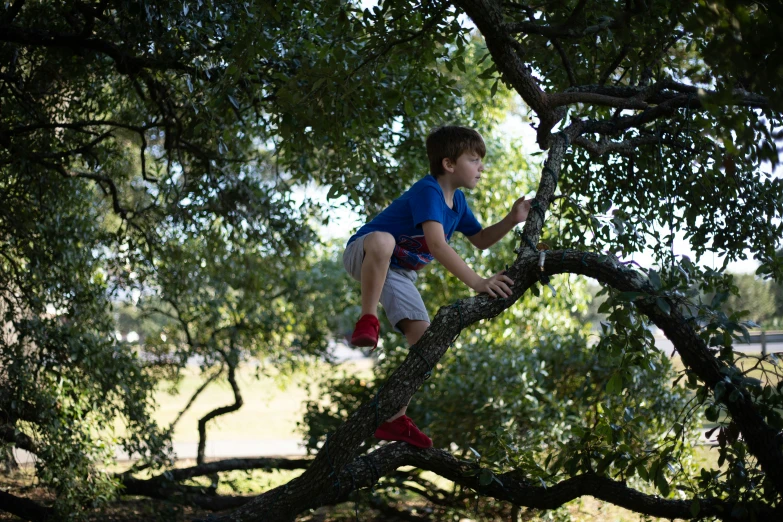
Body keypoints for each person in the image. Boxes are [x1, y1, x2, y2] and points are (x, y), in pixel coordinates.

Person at [342, 125, 531, 448]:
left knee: (425, 339)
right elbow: (438, 245)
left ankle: (394, 418)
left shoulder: (457, 204)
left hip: (398, 273)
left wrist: (512, 220)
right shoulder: (428, 191)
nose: (481, 167)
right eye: (474, 160)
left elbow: (481, 240)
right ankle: (368, 319)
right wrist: (479, 282)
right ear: (449, 164)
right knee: (384, 239)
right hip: (365, 253)